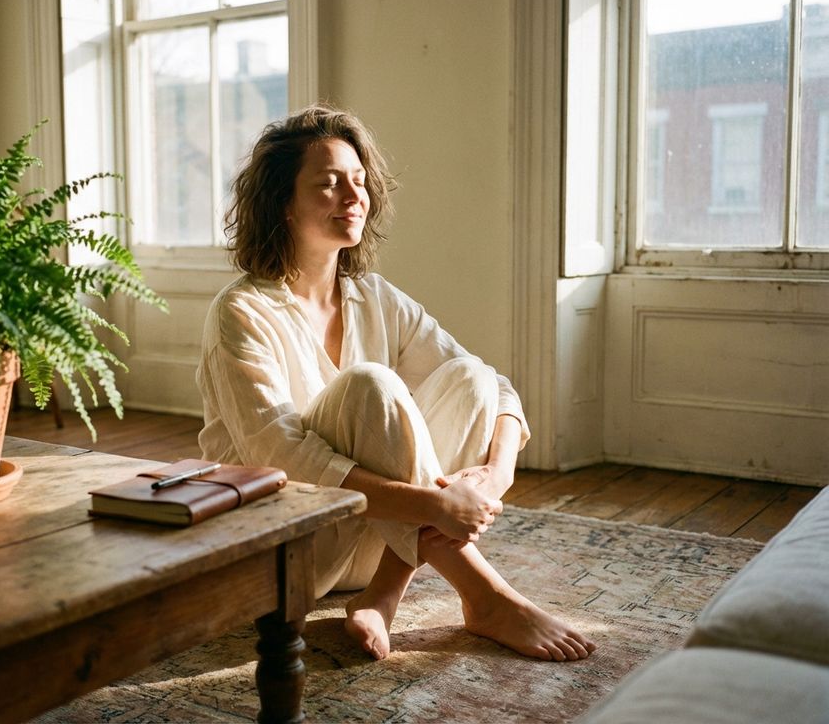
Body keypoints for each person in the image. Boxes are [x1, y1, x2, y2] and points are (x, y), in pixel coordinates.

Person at [196, 105, 596, 663]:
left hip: (384, 538)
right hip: (292, 550)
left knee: (471, 378)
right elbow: (279, 456)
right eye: (329, 183)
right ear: (282, 204)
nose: (353, 196)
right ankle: (488, 597)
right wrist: (434, 506)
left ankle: (384, 594)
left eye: (359, 182)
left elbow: (497, 390)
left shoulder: (375, 296)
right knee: (371, 386)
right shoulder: (240, 311)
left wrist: (495, 473)